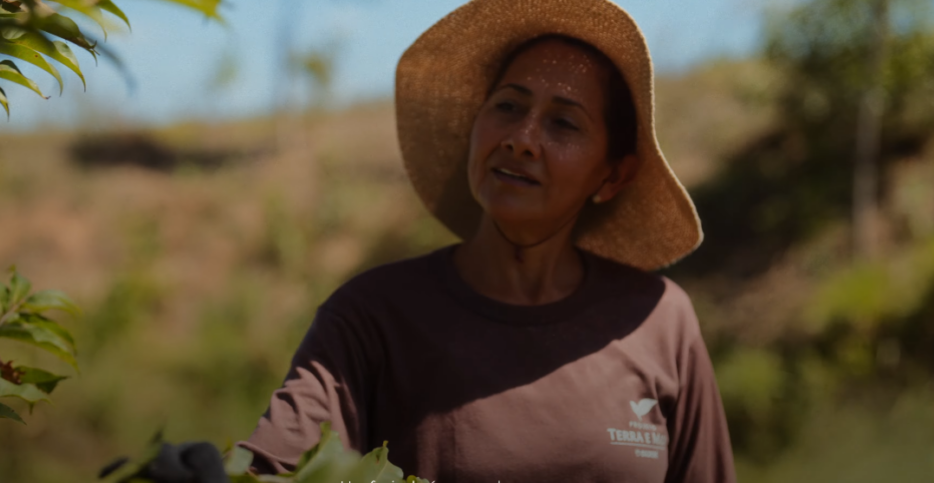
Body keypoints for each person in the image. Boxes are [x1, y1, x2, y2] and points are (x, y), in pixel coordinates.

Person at [238, 0, 736, 481]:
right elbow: (275, 470)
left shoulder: (660, 323)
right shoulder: (373, 318)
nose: (522, 137)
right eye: (508, 105)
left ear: (612, 176)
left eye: (563, 123)